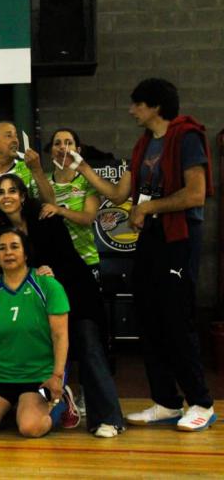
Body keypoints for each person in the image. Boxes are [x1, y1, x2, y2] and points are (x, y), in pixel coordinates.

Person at [74, 78, 216, 431]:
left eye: (136, 104)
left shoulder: (186, 137)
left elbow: (196, 194)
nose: (130, 110)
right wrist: (84, 169)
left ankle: (201, 401)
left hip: (178, 240)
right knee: (148, 319)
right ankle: (166, 401)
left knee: (176, 321)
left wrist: (150, 207)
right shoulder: (142, 146)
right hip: (150, 242)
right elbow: (120, 193)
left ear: (154, 106)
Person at [0, 174, 124, 436]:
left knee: (88, 347)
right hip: (43, 302)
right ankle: (54, 403)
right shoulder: (4, 233)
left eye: (13, 190)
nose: (7, 196)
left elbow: (66, 257)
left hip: (76, 293)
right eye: (1, 192)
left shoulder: (45, 218)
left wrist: (51, 271)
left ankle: (108, 418)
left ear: (23, 196)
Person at [0, 228, 69, 438]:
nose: (8, 253)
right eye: (2, 248)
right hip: (2, 375)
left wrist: (57, 375)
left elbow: (60, 335)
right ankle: (16, 406)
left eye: (14, 247)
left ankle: (61, 400)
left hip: (40, 376)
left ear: (26, 253)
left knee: (30, 428)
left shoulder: (48, 285)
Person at [0, 120, 55, 285]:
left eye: (16, 136)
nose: (15, 140)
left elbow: (50, 202)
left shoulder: (26, 169)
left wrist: (37, 169)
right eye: (9, 136)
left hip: (23, 262)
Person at [41, 129, 101, 271]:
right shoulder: (41, 181)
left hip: (85, 259)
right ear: (51, 151)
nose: (63, 147)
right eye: (57, 143)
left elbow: (88, 218)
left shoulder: (87, 181)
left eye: (69, 143)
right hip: (52, 263)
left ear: (78, 150)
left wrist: (59, 210)